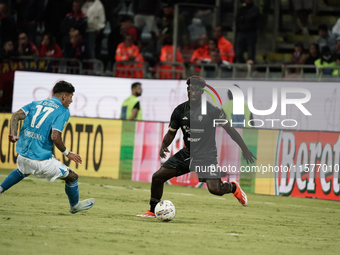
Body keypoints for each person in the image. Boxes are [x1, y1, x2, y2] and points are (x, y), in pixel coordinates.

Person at [137, 75, 256, 218]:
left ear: (202, 92)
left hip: (207, 156)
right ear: (187, 91)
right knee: (157, 177)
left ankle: (233, 187)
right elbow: (171, 133)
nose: (193, 93)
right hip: (187, 154)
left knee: (215, 189)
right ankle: (152, 210)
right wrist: (164, 145)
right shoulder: (179, 110)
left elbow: (230, 130)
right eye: (190, 89)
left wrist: (245, 149)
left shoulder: (212, 111)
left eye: (196, 90)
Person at [0, 81, 95, 214]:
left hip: (22, 155)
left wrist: (14, 134)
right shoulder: (62, 111)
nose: (71, 100)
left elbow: (15, 115)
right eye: (71, 96)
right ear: (63, 96)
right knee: (73, 177)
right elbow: (55, 137)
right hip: (41, 161)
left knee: (23, 170)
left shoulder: (35, 104)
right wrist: (67, 153)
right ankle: (74, 206)